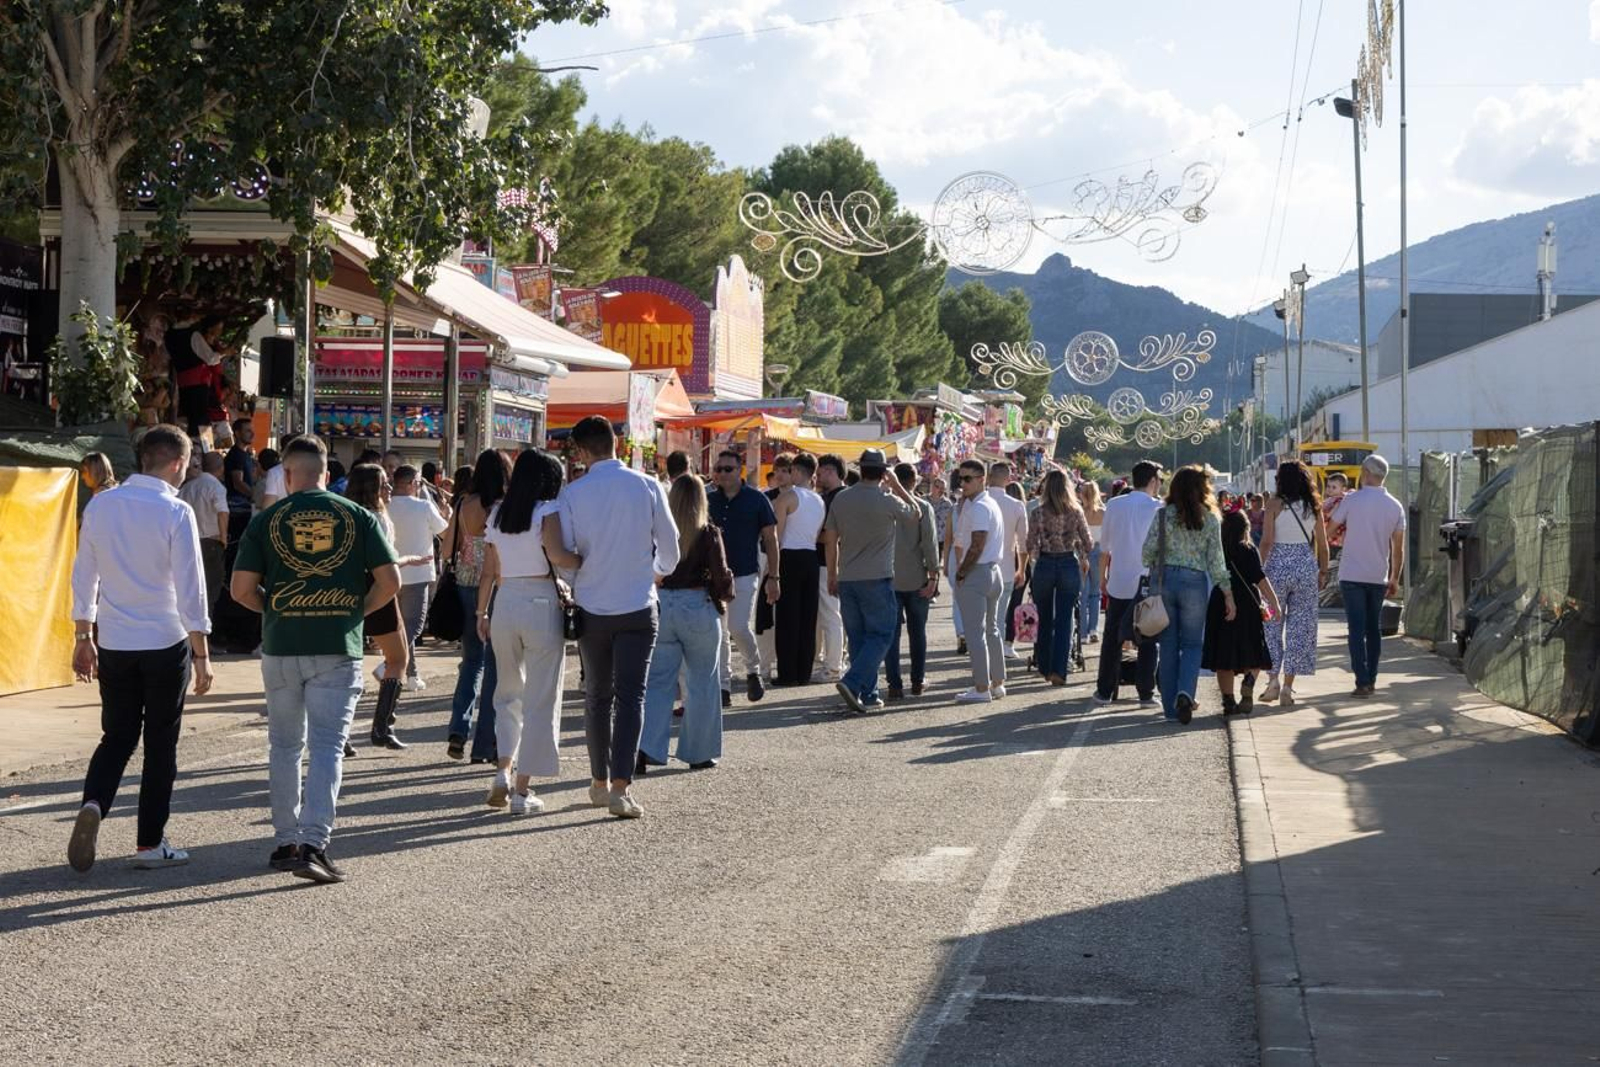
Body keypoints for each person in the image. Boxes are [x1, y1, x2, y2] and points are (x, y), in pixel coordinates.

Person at [231, 436, 400, 883]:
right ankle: (314, 843)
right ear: (327, 473)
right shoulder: (359, 516)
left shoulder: (267, 521)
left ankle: (285, 840)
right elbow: (391, 581)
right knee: (326, 748)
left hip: (282, 647)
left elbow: (241, 591)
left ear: (286, 475)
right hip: (336, 647)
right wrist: (355, 611)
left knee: (284, 747)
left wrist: (273, 608)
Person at [67, 425, 212, 873]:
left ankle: (95, 802)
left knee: (117, 736)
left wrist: (82, 635)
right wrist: (202, 653)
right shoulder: (176, 511)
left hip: (114, 640)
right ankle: (150, 843)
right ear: (177, 463)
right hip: (165, 641)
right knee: (160, 744)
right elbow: (191, 587)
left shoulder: (103, 505)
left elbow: (83, 573)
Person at [556, 415, 680, 819]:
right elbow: (672, 547)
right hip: (638, 604)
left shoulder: (573, 494)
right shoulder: (647, 485)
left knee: (596, 696)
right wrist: (654, 572)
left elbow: (567, 556)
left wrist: (582, 579)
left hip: (592, 605)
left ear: (580, 450)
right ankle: (621, 787)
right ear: (616, 443)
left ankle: (597, 780)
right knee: (632, 698)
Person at [476, 450, 567, 814]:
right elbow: (559, 557)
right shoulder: (547, 511)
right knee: (541, 697)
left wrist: (481, 611)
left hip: (505, 600)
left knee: (508, 694)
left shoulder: (497, 513)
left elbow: (491, 568)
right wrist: (584, 561)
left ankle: (503, 769)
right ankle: (522, 789)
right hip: (541, 600)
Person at [641, 474, 733, 772]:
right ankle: (699, 752)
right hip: (698, 606)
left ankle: (645, 748)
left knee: (657, 681)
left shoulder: (657, 532)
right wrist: (725, 594)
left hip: (663, 603)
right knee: (703, 680)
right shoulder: (708, 533)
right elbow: (721, 576)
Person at [821, 448, 917, 713]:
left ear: (860, 469)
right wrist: (896, 485)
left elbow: (830, 539)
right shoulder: (887, 499)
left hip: (847, 577)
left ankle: (869, 693)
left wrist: (832, 574)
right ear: (883, 471)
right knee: (882, 634)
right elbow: (915, 513)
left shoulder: (842, 499)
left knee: (859, 637)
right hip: (877, 577)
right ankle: (853, 683)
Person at [1142, 465, 1234, 725]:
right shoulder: (1210, 519)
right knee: (1193, 644)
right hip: (1195, 582)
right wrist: (1228, 594)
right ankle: (1185, 693)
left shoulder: (1163, 516)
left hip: (1165, 580)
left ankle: (1171, 709)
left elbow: (1146, 552)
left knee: (1168, 644)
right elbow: (1217, 561)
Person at [440, 450, 510, 763]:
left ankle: (458, 728)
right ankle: (485, 744)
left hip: (465, 585)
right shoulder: (507, 507)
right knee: (495, 665)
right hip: (497, 586)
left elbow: (447, 550)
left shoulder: (463, 504)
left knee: (471, 662)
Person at [343, 463, 411, 751]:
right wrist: (406, 560)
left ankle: (342, 732)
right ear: (371, 488)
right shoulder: (377, 518)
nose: (389, 489)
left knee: (350, 663)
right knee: (398, 658)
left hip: (350, 588)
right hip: (379, 586)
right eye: (384, 483)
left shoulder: (346, 515)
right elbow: (387, 559)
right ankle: (383, 726)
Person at [1331, 454, 1406, 697]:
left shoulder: (1352, 501)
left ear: (1365, 473)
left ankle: (1361, 680)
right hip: (1378, 575)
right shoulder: (1395, 506)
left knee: (1356, 628)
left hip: (1351, 573)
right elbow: (1398, 548)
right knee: (1373, 628)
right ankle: (1371, 677)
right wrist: (1394, 577)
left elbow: (1330, 527)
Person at [708, 448, 779, 703]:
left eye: (728, 469)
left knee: (738, 626)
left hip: (745, 572)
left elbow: (771, 539)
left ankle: (753, 670)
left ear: (739, 471)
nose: (722, 474)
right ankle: (723, 687)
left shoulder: (757, 499)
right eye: (719, 469)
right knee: (719, 632)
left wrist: (774, 577)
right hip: (713, 576)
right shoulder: (708, 500)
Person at [1259, 460, 1330, 707]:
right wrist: (1322, 571)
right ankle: (1289, 686)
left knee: (1271, 623)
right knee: (1301, 627)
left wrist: (1259, 568)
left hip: (1276, 566)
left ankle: (1272, 680)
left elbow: (1267, 541)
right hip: (1305, 566)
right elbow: (1322, 543)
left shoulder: (1274, 505)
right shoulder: (1313, 506)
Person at [1094, 460, 1164, 707]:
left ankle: (1104, 690)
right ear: (1154, 481)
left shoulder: (1114, 505)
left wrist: (1102, 576)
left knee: (1112, 636)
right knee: (1148, 636)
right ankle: (1146, 692)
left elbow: (1105, 547)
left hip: (1119, 579)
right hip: (1147, 581)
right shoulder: (1159, 508)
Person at [1202, 509, 1281, 715]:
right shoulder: (1248, 549)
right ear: (1245, 528)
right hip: (1248, 604)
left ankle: (1228, 701)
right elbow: (1260, 578)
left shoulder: (1217, 550)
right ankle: (1248, 682)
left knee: (1223, 655)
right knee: (1253, 649)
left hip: (1221, 601)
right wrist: (1274, 603)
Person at [1026, 469, 1092, 686]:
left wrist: (1039, 554)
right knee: (1065, 619)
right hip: (1067, 564)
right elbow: (1088, 542)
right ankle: (1059, 670)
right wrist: (1081, 553)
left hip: (1045, 564)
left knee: (1044, 618)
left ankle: (1044, 665)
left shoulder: (1038, 512)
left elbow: (1029, 544)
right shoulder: (1076, 511)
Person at [388, 464, 451, 691]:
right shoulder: (424, 506)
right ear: (412, 483)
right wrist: (447, 513)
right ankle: (391, 667)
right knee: (412, 627)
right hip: (418, 573)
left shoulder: (384, 505)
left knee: (400, 627)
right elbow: (445, 533)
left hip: (389, 573)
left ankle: (410, 673)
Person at [950, 459, 1007, 704]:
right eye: (960, 479)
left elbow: (977, 544)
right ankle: (997, 683)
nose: (962, 483)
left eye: (967, 479)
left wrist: (961, 573)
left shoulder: (980, 506)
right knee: (991, 630)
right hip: (992, 571)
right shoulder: (984, 503)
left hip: (979, 572)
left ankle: (982, 687)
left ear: (982, 479)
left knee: (976, 632)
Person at [883, 462, 940, 700]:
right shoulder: (923, 507)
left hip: (889, 577)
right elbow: (929, 542)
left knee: (891, 634)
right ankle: (917, 680)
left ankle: (894, 683)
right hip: (917, 577)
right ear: (914, 480)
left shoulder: (885, 505)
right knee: (918, 632)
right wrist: (933, 574)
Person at [772, 453, 825, 686]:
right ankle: (804, 671)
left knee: (787, 617)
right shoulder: (819, 500)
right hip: (811, 556)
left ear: (796, 471)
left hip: (789, 555)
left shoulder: (787, 498)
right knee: (808, 616)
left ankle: (787, 673)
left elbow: (777, 535)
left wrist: (772, 566)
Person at [754, 453, 792, 685]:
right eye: (777, 470)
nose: (779, 474)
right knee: (763, 613)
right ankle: (764, 665)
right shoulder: (764, 497)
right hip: (764, 557)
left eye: (785, 470)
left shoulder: (802, 498)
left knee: (784, 615)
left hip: (789, 559)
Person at [987, 462, 1030, 659]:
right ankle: (997, 658)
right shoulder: (1016, 505)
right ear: (1008, 479)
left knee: (982, 616)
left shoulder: (976, 501)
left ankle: (983, 653)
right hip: (1005, 568)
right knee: (1000, 615)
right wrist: (1021, 569)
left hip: (978, 568)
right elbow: (1023, 543)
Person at [179, 450, 230, 611]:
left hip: (188, 543)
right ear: (221, 468)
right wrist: (223, 538)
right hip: (211, 543)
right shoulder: (216, 487)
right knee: (209, 591)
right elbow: (223, 512)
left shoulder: (187, 487)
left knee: (190, 589)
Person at [814, 453, 848, 680]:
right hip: (831, 562)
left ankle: (834, 666)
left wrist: (808, 534)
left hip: (830, 562)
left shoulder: (838, 498)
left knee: (831, 615)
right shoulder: (839, 496)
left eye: (820, 471)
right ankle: (834, 661)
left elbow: (830, 536)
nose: (816, 476)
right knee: (831, 615)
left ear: (830, 471)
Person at [168, 317, 228, 435]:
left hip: (183, 382)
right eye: (219, 328)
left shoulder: (170, 335)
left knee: (188, 417)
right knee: (200, 421)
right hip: (198, 382)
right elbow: (211, 359)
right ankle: (201, 448)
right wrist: (225, 352)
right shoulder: (193, 335)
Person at [221, 417, 256, 566]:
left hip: (242, 508)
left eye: (252, 430)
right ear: (237, 433)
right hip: (237, 509)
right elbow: (238, 483)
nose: (252, 434)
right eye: (247, 430)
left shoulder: (245, 454)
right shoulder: (236, 455)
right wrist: (255, 496)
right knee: (236, 550)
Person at [1077, 479, 1106, 645]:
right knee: (1096, 593)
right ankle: (1094, 629)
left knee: (1083, 594)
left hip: (1082, 552)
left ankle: (1082, 633)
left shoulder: (1079, 512)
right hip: (1098, 552)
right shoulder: (1103, 513)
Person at [944, 468, 968, 655]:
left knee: (957, 598)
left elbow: (948, 538)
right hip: (973, 555)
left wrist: (945, 562)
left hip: (954, 556)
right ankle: (969, 632)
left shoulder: (954, 509)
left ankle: (961, 633)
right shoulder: (980, 506)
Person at [1321, 472, 1349, 557]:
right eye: (1328, 486)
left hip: (1337, 536)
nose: (1330, 489)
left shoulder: (1339, 501)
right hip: (1332, 536)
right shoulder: (1331, 499)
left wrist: (1323, 515)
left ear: (1343, 489)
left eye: (1334, 487)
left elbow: (1330, 514)